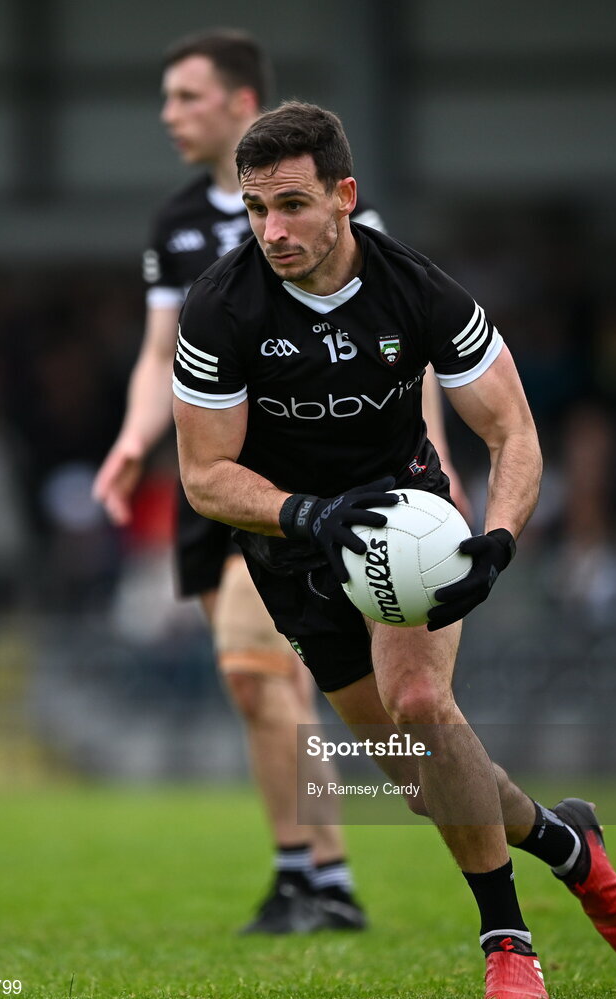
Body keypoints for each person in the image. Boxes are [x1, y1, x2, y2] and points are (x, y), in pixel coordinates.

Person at [172, 101, 616, 999]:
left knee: (424, 703)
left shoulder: (421, 291)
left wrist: (500, 539)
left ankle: (506, 939)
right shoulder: (219, 308)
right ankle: (565, 841)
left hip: (409, 523)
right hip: (295, 547)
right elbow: (205, 476)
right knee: (430, 786)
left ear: (345, 196)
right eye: (256, 208)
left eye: (294, 205)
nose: (272, 229)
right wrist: (311, 515)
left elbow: (514, 432)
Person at [93, 29, 456, 936]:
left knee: (272, 677)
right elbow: (157, 355)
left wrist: (437, 487)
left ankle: (318, 874)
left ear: (238, 102)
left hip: (317, 488)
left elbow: (406, 363)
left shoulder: (338, 224)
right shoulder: (176, 226)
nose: (170, 114)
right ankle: (311, 873)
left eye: (185, 96)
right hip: (217, 478)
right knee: (255, 684)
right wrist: (135, 440)